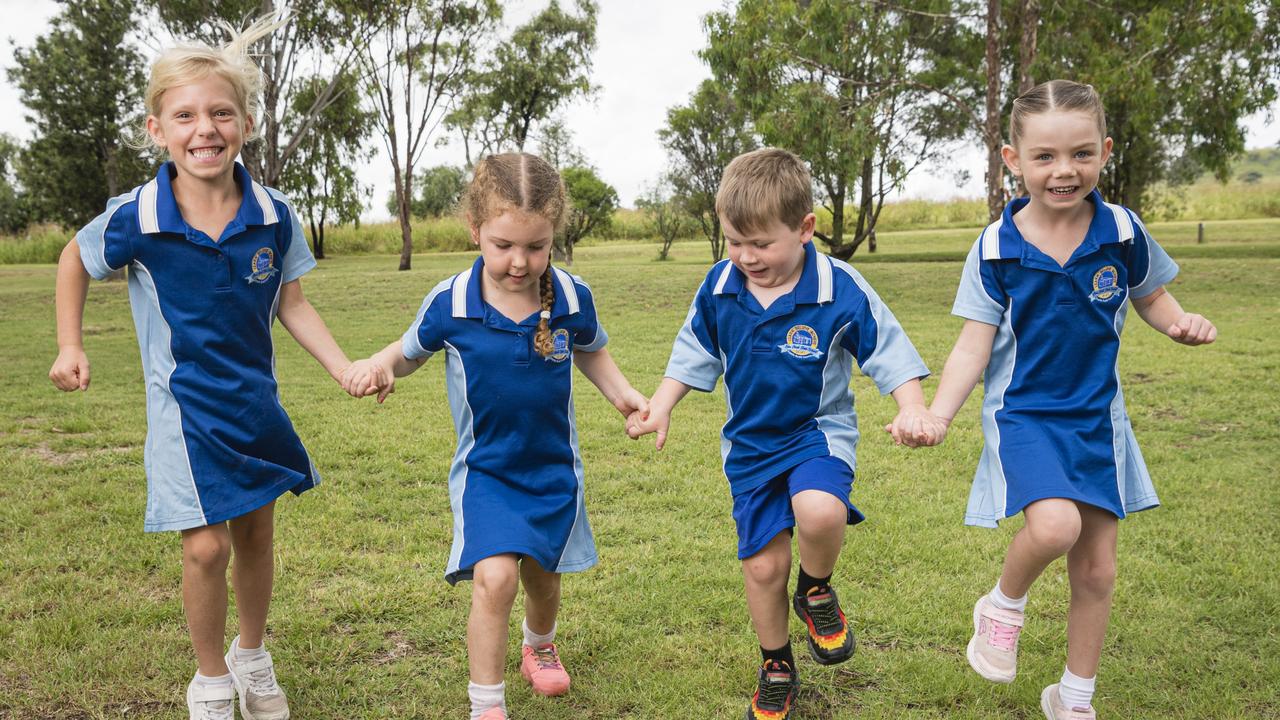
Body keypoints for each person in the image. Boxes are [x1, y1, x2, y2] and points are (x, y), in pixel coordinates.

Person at [47, 16, 352, 720]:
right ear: (157, 130)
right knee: (207, 548)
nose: (204, 128)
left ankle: (251, 655)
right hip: (184, 414)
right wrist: (70, 344)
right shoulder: (138, 216)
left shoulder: (274, 214)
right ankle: (212, 679)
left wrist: (340, 367)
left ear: (245, 122)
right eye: (185, 115)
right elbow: (73, 258)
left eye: (220, 112)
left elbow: (292, 303)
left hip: (254, 405)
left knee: (255, 535)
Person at [917, 80, 1217, 720]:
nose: (1064, 171)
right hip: (1024, 415)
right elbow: (973, 346)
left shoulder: (1120, 229)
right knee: (1054, 526)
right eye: (1045, 157)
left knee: (1098, 573)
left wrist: (1180, 322)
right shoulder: (997, 247)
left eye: (1081, 154)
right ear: (1012, 161)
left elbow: (1151, 297)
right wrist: (938, 413)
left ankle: (1073, 700)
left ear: (1104, 151)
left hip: (1098, 420)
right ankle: (1002, 605)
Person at [628, 147, 942, 720]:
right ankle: (776, 663)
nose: (746, 257)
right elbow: (694, 351)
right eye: (735, 242)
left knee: (820, 512)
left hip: (817, 433)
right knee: (763, 567)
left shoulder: (838, 286)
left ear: (804, 229)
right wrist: (663, 405)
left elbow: (888, 350)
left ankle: (816, 588)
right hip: (749, 447)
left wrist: (913, 405)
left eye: (761, 244)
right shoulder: (721, 287)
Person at [341, 152, 648, 720]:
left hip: (553, 470)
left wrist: (622, 394)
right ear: (475, 230)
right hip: (488, 473)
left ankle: (539, 646)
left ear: (553, 236)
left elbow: (592, 349)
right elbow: (407, 353)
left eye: (536, 246)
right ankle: (487, 705)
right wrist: (379, 366)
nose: (519, 261)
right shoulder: (452, 304)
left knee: (542, 578)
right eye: (503, 245)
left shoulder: (572, 297)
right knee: (496, 577)